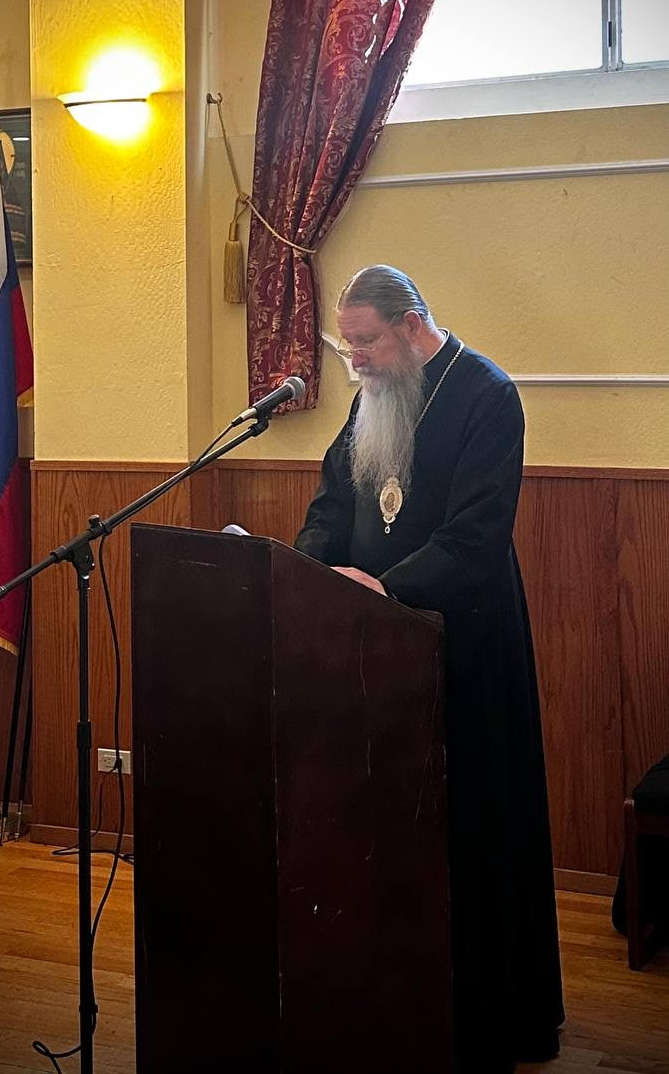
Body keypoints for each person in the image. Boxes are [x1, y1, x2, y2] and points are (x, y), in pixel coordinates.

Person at [294, 265, 564, 1073]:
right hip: (371, 651)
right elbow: (333, 501)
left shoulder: (487, 394)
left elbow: (475, 535)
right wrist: (309, 572)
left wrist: (386, 589)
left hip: (464, 643)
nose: (355, 360)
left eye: (366, 342)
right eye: (347, 344)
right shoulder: (373, 395)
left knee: (470, 828)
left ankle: (485, 1016)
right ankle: (394, 996)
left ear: (411, 325)